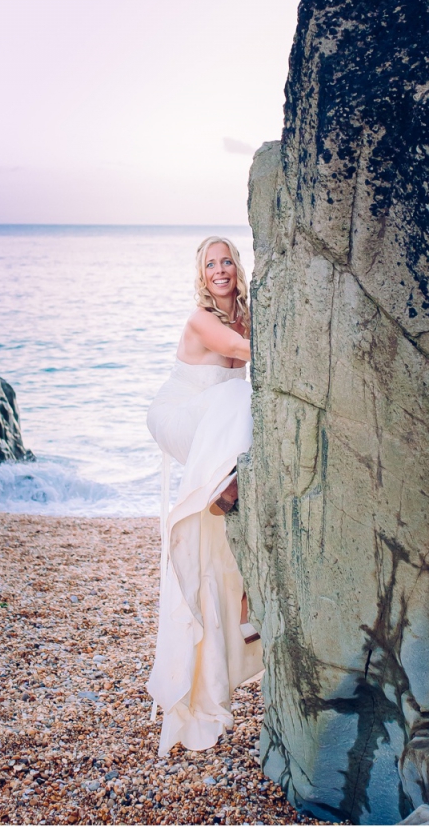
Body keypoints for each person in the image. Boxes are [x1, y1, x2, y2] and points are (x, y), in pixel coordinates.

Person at [146, 235, 263, 755]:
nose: (219, 269)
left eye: (226, 261)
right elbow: (242, 353)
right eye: (210, 264)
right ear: (202, 275)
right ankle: (224, 484)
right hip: (178, 416)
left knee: (217, 542)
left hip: (215, 419)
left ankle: (240, 600)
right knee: (239, 391)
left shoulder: (249, 310)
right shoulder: (201, 320)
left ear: (237, 267)